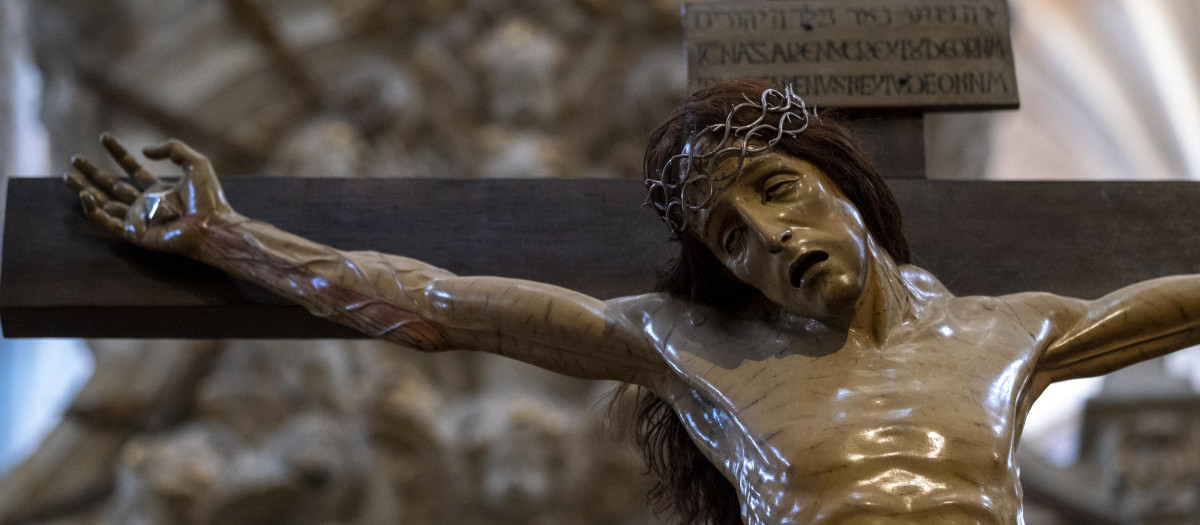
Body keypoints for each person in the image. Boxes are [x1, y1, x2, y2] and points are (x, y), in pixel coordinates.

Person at [65, 80, 1200, 525]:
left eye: (777, 192)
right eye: (729, 237)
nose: (769, 239)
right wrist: (228, 236)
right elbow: (441, 303)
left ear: (846, 187)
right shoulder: (695, 347)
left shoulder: (1013, 330)